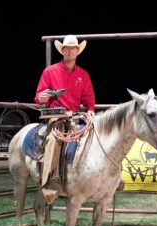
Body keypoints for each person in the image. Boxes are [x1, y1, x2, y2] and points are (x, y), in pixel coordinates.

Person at [35, 34, 96, 203]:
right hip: (56, 117)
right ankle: (49, 182)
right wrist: (42, 98)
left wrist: (90, 109)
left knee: (96, 135)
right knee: (53, 140)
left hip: (75, 116)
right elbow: (38, 96)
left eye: (73, 48)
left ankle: (103, 176)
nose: (70, 51)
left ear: (77, 51)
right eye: (67, 48)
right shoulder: (49, 72)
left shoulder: (83, 75)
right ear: (63, 51)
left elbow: (89, 98)